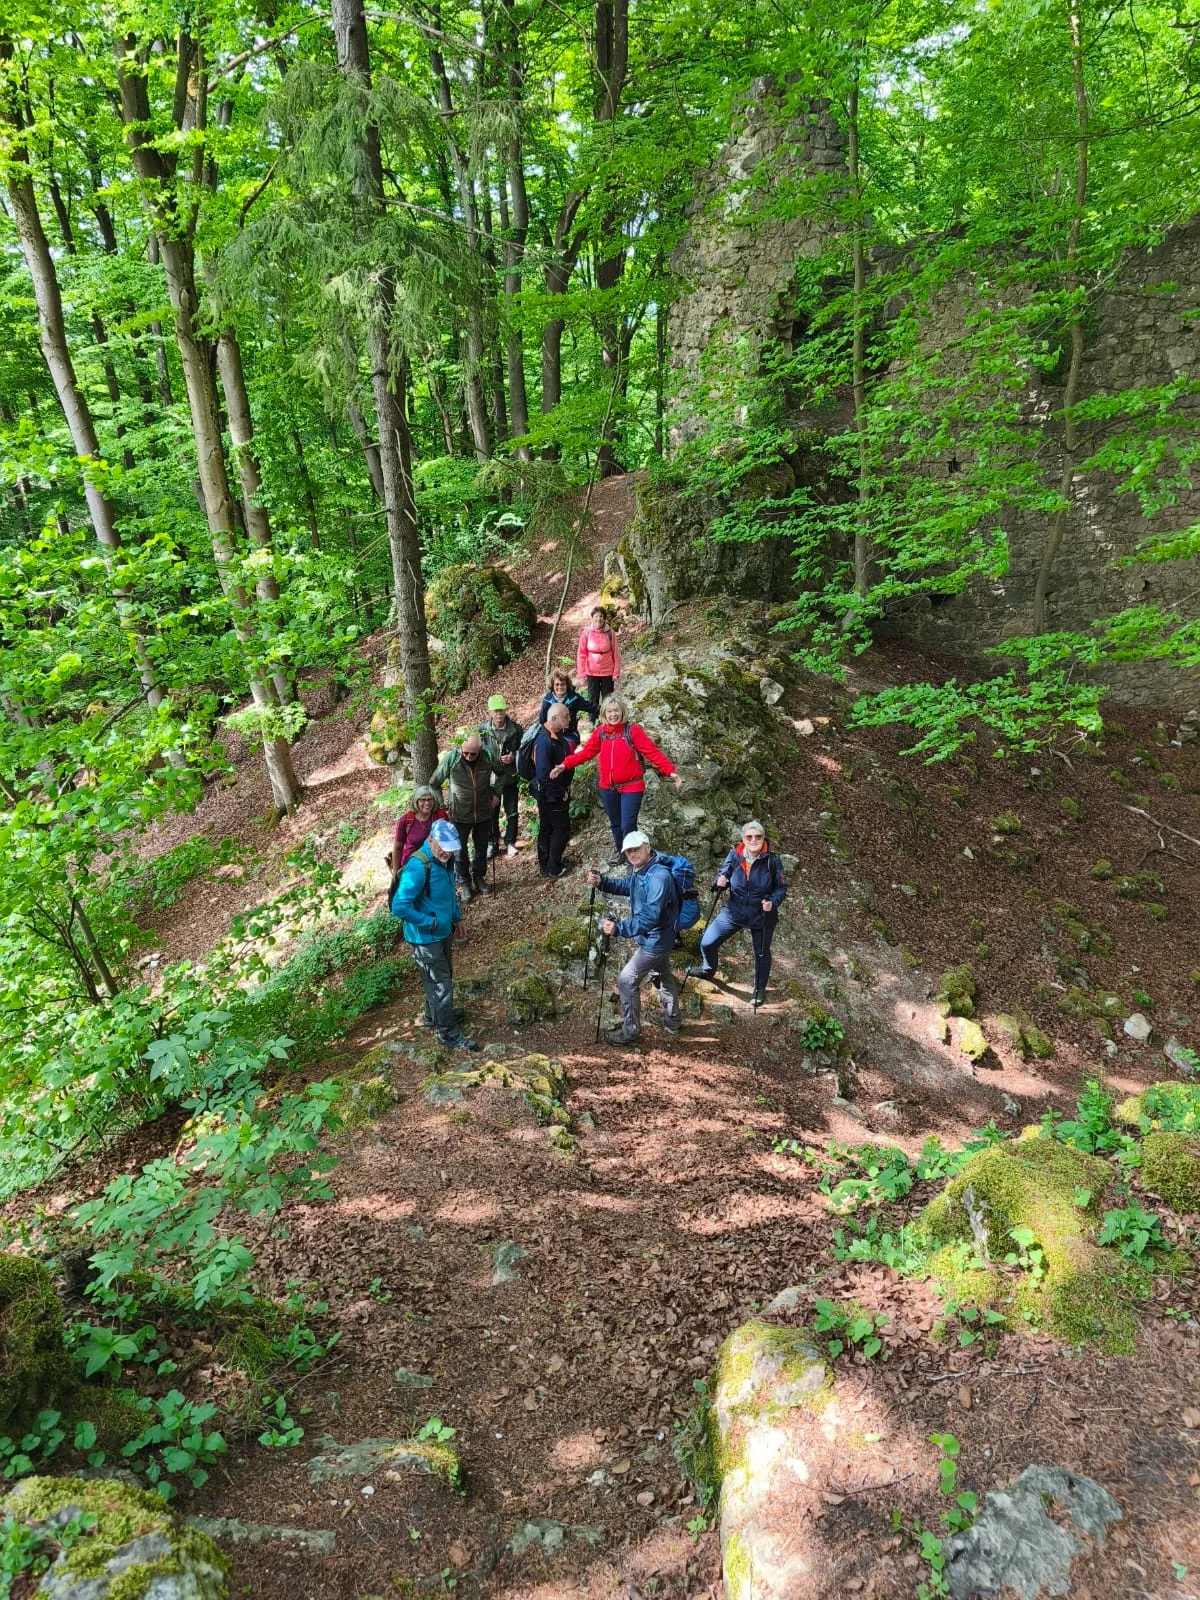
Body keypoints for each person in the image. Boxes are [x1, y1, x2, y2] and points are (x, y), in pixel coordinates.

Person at [551, 694, 682, 863]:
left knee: (628, 824)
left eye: (616, 711)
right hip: (608, 787)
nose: (613, 714)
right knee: (615, 824)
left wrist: (670, 771)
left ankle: (633, 858)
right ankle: (622, 853)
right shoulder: (601, 732)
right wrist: (565, 764)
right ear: (604, 713)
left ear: (622, 712)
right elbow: (586, 753)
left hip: (632, 786)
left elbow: (652, 752)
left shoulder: (632, 730)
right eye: (609, 711)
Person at [587, 830, 680, 1047]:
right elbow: (628, 886)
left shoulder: (658, 877)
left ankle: (630, 1032)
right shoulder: (642, 870)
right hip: (660, 938)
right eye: (628, 851)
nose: (632, 854)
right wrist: (603, 882)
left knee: (626, 980)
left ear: (648, 847)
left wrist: (619, 928)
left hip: (655, 940)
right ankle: (673, 1021)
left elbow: (650, 916)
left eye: (636, 849)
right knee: (662, 976)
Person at [390, 819, 477, 1051]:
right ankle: (447, 1034)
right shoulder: (419, 866)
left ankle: (434, 1015)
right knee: (441, 983)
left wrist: (456, 917)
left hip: (442, 931)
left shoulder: (444, 860)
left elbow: (448, 893)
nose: (447, 852)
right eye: (443, 847)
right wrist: (430, 923)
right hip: (425, 938)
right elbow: (399, 906)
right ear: (430, 840)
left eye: (451, 848)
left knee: (441, 977)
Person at [687, 821, 788, 1005]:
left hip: (762, 914)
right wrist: (719, 881)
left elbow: (781, 888)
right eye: (749, 837)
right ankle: (708, 970)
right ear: (743, 839)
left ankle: (759, 989)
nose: (753, 840)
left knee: (761, 954)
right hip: (734, 911)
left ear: (763, 838)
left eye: (758, 836)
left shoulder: (772, 861)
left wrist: (772, 902)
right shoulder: (735, 855)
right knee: (707, 943)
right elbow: (722, 875)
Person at [430, 733, 501, 902]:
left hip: (483, 811)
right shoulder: (452, 759)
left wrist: (497, 792)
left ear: (480, 750)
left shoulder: (488, 757)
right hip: (459, 814)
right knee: (459, 851)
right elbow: (434, 783)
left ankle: (479, 877)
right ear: (460, 748)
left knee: (481, 848)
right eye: (465, 753)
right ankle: (464, 883)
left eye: (473, 754)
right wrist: (442, 806)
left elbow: (503, 774)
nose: (468, 756)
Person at [532, 702, 577, 879]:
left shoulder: (555, 735)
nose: (569, 719)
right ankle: (553, 867)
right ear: (554, 718)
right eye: (566, 717)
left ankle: (546, 864)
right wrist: (561, 792)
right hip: (552, 795)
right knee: (561, 829)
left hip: (550, 793)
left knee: (547, 827)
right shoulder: (544, 741)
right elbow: (543, 775)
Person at [479, 693, 521, 859]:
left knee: (512, 811)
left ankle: (510, 842)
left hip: (510, 776)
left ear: (505, 710)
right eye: (496, 711)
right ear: (490, 712)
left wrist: (513, 756)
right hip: (491, 779)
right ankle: (492, 843)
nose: (499, 714)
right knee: (491, 811)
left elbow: (524, 750)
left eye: (501, 710)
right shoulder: (483, 730)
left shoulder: (516, 729)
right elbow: (477, 752)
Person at [391, 785, 448, 870]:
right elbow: (397, 848)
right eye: (423, 800)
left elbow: (449, 842)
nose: (427, 803)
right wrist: (395, 872)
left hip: (437, 866)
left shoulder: (441, 816)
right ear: (416, 801)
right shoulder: (406, 820)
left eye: (430, 799)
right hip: (412, 866)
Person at [576, 605, 621, 704]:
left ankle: (607, 715)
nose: (598, 619)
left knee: (608, 700)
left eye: (601, 616)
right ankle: (594, 715)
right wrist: (581, 674)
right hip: (591, 673)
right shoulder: (586, 632)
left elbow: (616, 653)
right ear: (592, 618)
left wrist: (616, 672)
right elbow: (581, 654)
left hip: (608, 672)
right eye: (596, 616)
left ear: (604, 618)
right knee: (593, 700)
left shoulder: (610, 633)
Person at [538, 671, 598, 741]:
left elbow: (591, 707)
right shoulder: (547, 700)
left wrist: (606, 710)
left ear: (567, 685)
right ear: (552, 686)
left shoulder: (574, 698)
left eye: (563, 684)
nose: (560, 687)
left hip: (570, 735)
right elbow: (542, 721)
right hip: (552, 735)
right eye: (557, 684)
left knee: (566, 747)